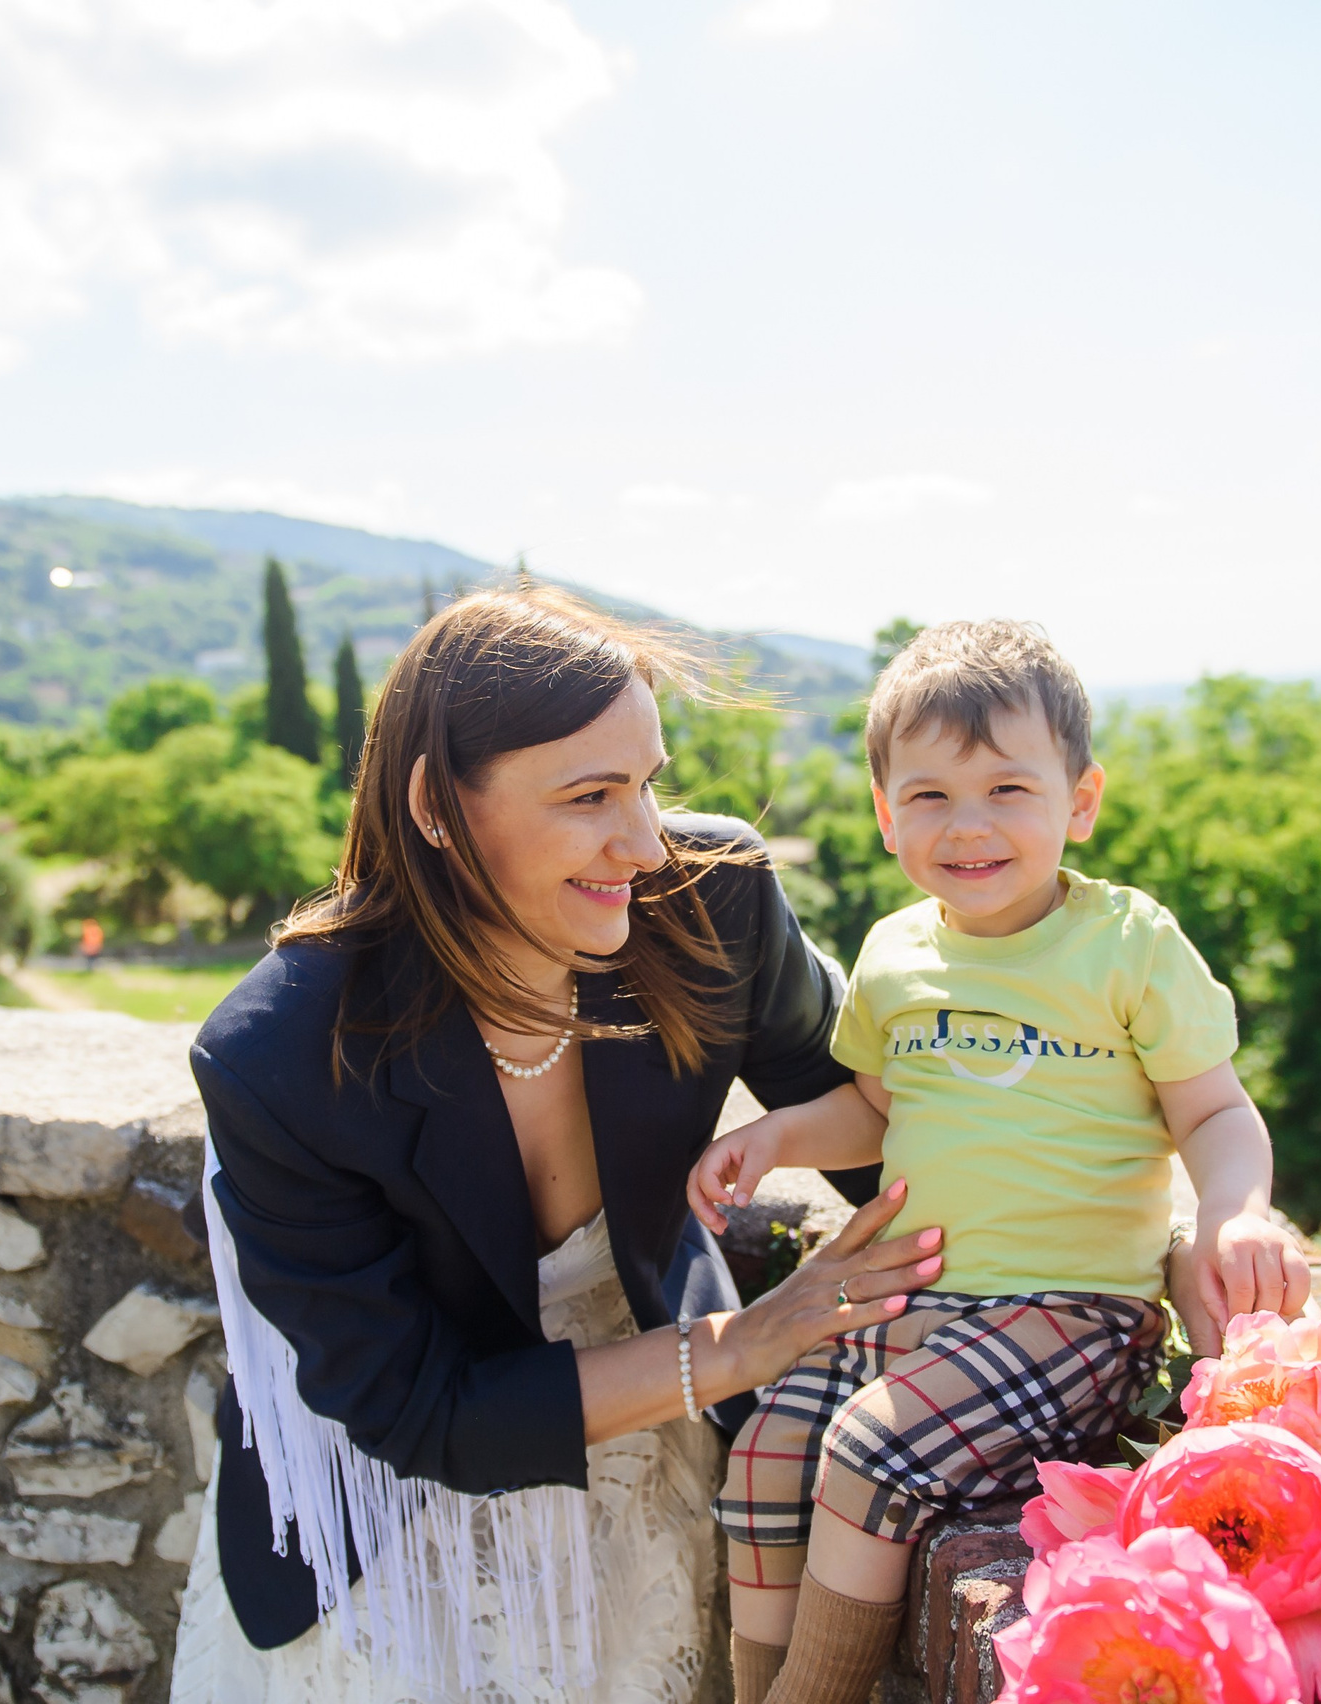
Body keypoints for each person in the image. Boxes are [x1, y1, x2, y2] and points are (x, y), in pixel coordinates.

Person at [168, 590, 1226, 1704]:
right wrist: (738, 1349)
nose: (642, 842)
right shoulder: (280, 1057)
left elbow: (904, 1112)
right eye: (589, 797)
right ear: (437, 805)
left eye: (649, 783)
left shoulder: (709, 900)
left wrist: (1138, 1242)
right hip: (389, 1519)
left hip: (658, 1456)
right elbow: (415, 1408)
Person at [686, 619, 1314, 1704]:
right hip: (906, 1298)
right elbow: (881, 1110)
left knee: (869, 1459)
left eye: (1006, 792)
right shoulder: (895, 952)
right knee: (762, 1458)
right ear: (885, 815)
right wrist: (777, 1136)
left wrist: (1235, 1211)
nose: (966, 826)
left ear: (1081, 800)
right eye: (927, 796)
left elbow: (1213, 1110)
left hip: (1070, 1313)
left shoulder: (1126, 945)